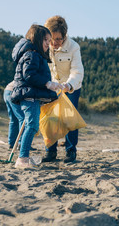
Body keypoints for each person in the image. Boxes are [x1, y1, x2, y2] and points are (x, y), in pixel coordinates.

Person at [10, 24, 64, 169]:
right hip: (29, 96)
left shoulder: (35, 54)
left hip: (31, 95)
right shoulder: (32, 54)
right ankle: (22, 159)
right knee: (32, 126)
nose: (49, 43)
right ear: (37, 39)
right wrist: (47, 83)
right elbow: (29, 75)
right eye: (46, 40)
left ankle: (23, 157)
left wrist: (51, 85)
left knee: (31, 125)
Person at [43, 15, 84, 163]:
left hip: (71, 87)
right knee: (50, 118)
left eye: (59, 39)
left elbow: (78, 71)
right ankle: (50, 151)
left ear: (65, 35)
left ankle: (71, 151)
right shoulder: (45, 46)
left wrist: (69, 85)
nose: (55, 43)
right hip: (51, 87)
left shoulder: (74, 47)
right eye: (51, 39)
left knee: (70, 118)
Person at [3, 81, 24, 149]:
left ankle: (12, 143)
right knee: (22, 118)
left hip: (7, 91)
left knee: (14, 119)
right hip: (13, 92)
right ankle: (21, 143)